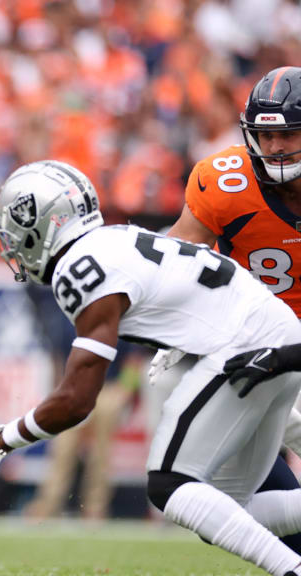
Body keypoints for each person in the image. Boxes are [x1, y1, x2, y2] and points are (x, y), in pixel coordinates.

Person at [0, 159, 301, 576]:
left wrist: (6, 436)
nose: (11, 244)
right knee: (225, 510)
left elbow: (76, 401)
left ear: (43, 225)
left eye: (15, 230)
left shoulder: (79, 267)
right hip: (274, 333)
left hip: (246, 346)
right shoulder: (115, 238)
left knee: (171, 486)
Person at [152, 65, 301, 551]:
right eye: (266, 134)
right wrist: (177, 328)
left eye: (289, 133)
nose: (276, 147)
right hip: (247, 349)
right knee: (215, 503)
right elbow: (176, 263)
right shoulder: (224, 181)